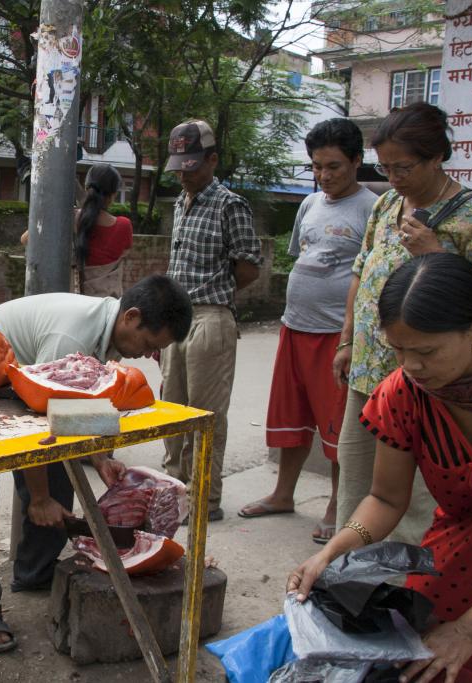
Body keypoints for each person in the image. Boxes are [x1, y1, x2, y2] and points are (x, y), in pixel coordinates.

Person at [288, 253, 472, 682]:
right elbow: (385, 498)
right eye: (398, 349)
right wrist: (333, 551)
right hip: (458, 557)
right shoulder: (405, 392)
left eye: (425, 351)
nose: (410, 366)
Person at [0, 274, 192, 653]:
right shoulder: (73, 337)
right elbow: (42, 421)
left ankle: (34, 574)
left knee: (61, 474)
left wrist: (98, 458)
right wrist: (39, 498)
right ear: (131, 317)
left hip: (20, 389)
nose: (147, 355)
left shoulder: (110, 334)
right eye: (149, 344)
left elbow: (72, 410)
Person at [331, 102, 472, 545]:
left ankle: (407, 588)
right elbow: (362, 272)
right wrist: (346, 342)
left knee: (413, 502)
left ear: (437, 158)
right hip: (370, 374)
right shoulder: (387, 204)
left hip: (429, 381)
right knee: (357, 483)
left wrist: (436, 253)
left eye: (404, 166)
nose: (394, 177)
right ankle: (346, 578)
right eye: (386, 167)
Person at [238, 119, 377, 544]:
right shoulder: (309, 204)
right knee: (291, 419)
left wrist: (351, 340)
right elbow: (303, 256)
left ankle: (337, 504)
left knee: (338, 428)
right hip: (294, 327)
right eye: (316, 166)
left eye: (333, 166)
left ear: (356, 161)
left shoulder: (373, 208)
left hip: (336, 336)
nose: (324, 175)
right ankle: (283, 494)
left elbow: (370, 275)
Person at [160, 118, 262, 521]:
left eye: (193, 165)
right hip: (177, 319)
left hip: (211, 317)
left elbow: (249, 266)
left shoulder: (229, 204)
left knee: (205, 416)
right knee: (170, 411)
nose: (184, 174)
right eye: (179, 166)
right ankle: (171, 491)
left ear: (212, 160)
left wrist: (215, 294)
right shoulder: (179, 203)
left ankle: (204, 498)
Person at [74, 163, 133, 297]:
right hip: (107, 307)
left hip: (73, 305)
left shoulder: (70, 219)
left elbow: (25, 240)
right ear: (114, 194)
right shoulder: (123, 226)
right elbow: (125, 251)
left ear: (86, 187)